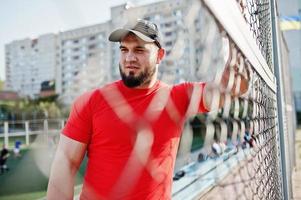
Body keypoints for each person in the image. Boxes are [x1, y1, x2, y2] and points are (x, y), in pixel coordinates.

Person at [47, 19, 249, 199]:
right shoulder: (91, 101)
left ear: (160, 55)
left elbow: (234, 88)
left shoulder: (177, 97)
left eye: (139, 50)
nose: (129, 58)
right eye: (124, 50)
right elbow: (66, 162)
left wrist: (234, 34)